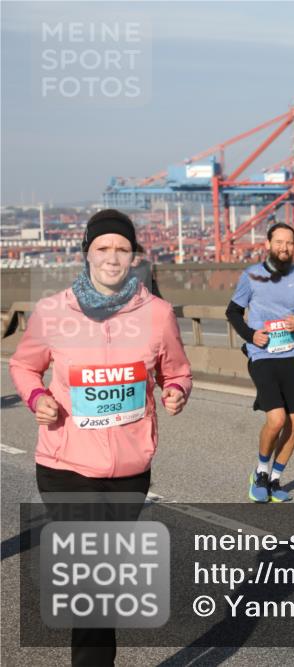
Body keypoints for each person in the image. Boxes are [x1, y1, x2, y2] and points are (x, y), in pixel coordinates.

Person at [9, 208, 193, 666]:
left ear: (134, 257)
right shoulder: (53, 311)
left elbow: (177, 370)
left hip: (131, 471)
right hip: (65, 465)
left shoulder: (158, 314)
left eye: (122, 249)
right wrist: (36, 397)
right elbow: (23, 364)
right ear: (87, 253)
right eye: (103, 248)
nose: (112, 257)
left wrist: (174, 391)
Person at [225, 223, 294, 503]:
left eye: (289, 243)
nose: (284, 248)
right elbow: (232, 312)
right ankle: (261, 472)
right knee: (276, 418)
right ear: (268, 244)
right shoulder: (252, 275)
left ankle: (277, 479)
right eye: (279, 242)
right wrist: (251, 335)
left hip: (290, 353)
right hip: (262, 355)